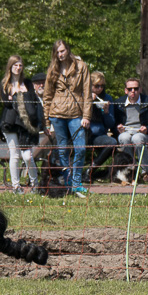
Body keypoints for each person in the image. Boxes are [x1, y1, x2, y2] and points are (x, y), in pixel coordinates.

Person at [42, 40, 92, 196]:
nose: (60, 54)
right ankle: (68, 181)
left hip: (76, 114)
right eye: (57, 52)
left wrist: (86, 115)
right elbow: (47, 95)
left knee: (80, 148)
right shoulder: (53, 69)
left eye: (62, 51)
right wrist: (47, 120)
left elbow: (87, 93)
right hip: (56, 113)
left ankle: (77, 182)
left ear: (68, 50)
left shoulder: (81, 67)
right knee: (62, 150)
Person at [0, 55, 42, 193]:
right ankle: (16, 186)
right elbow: (7, 103)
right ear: (10, 67)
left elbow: (32, 101)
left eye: (20, 65)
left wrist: (16, 97)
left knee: (28, 156)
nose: (18, 68)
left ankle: (35, 184)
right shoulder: (4, 83)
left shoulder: (27, 83)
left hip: (25, 124)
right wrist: (20, 98)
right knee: (15, 155)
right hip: (10, 123)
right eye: (15, 65)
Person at [113, 77, 148, 182]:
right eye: (130, 89)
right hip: (126, 132)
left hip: (144, 134)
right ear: (125, 90)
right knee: (124, 137)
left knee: (137, 138)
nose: (133, 91)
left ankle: (146, 172)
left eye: (136, 88)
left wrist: (147, 129)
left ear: (140, 89)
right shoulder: (118, 103)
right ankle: (132, 170)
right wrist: (117, 129)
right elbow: (113, 124)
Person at [87, 72, 117, 182]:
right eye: (96, 86)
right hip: (83, 133)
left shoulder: (106, 98)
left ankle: (91, 170)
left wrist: (106, 112)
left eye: (102, 86)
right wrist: (88, 101)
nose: (99, 89)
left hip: (98, 135)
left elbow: (110, 124)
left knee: (112, 142)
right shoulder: (82, 96)